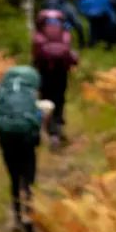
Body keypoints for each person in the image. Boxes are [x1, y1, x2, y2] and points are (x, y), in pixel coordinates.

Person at [0, 65, 54, 232]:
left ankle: (16, 218)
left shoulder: (4, 93)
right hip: (28, 141)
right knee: (29, 179)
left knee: (14, 179)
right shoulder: (29, 94)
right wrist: (38, 123)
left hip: (8, 142)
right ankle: (29, 215)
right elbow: (47, 108)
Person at [32, 8, 78, 144]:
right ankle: (58, 126)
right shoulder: (65, 34)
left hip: (44, 71)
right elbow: (69, 53)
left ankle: (49, 130)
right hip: (61, 71)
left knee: (45, 99)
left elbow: (35, 55)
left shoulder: (39, 35)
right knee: (59, 98)